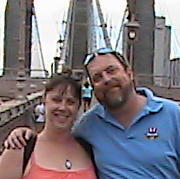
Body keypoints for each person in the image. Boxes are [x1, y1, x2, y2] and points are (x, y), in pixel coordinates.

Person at [4, 48, 180, 178]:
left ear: (129, 72)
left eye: (111, 70)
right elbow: (56, 138)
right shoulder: (89, 126)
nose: (106, 80)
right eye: (97, 77)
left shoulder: (173, 115)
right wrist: (23, 135)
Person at [0, 74, 97, 179]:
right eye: (56, 100)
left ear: (78, 106)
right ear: (44, 100)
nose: (63, 107)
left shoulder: (89, 149)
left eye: (70, 102)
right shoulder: (21, 148)